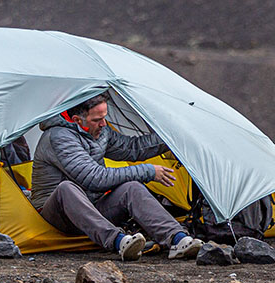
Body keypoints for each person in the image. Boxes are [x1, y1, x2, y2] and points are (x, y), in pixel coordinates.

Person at [30, 92, 203, 261]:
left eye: (105, 117)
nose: (104, 124)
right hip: (58, 217)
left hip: (93, 210)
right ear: (77, 120)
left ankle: (178, 239)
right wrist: (148, 171)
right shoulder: (58, 137)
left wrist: (174, 138)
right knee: (66, 188)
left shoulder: (100, 131)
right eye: (97, 120)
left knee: (132, 187)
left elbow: (132, 148)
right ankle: (119, 241)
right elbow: (94, 178)